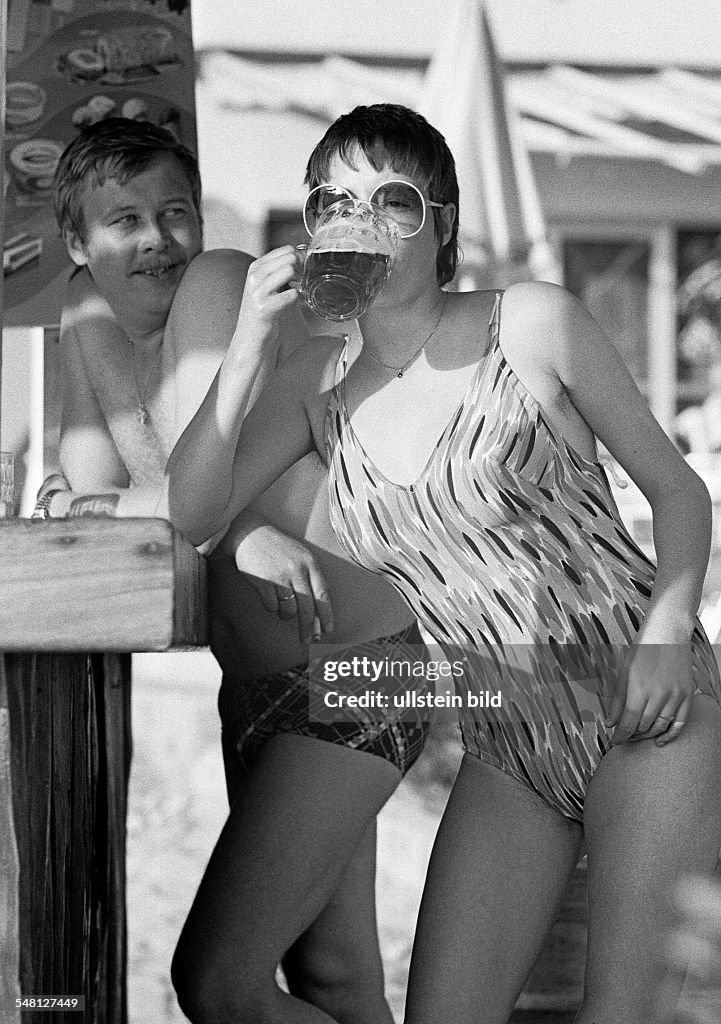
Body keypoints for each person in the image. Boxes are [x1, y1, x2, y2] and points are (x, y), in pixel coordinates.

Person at [162, 102, 721, 1024]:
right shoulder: (314, 382)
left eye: (394, 201)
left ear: (444, 224)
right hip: (508, 745)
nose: (362, 221)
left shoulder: (532, 324)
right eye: (333, 202)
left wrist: (667, 629)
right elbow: (191, 514)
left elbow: (678, 491)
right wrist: (250, 354)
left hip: (645, 709)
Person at [44, 118, 427, 1024]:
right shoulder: (86, 314)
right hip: (255, 684)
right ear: (76, 242)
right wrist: (226, 530)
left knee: (218, 984)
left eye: (174, 211)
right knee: (335, 979)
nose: (156, 238)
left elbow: (187, 488)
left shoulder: (219, 283)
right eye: (124, 219)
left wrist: (202, 518)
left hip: (359, 669)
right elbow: (97, 498)